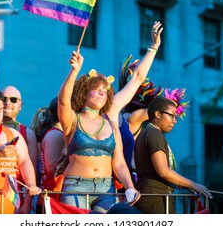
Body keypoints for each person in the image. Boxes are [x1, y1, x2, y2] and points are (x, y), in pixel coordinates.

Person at [57, 49, 140, 213]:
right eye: (96, 88)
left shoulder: (112, 125)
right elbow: (63, 100)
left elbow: (119, 162)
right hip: (75, 187)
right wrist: (75, 70)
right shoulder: (72, 120)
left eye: (105, 89)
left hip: (106, 189)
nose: (103, 92)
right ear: (83, 92)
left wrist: (130, 187)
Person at [133, 94, 212, 214]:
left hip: (150, 196)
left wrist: (184, 185)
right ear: (157, 114)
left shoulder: (146, 132)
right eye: (171, 116)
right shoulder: (154, 133)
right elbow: (163, 171)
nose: (174, 121)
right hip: (156, 198)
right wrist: (194, 184)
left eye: (176, 117)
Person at [106, 21, 163, 172]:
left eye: (105, 89)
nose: (103, 93)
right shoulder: (128, 116)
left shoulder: (114, 110)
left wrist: (154, 47)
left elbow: (137, 77)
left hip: (121, 182)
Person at [39, 97, 65, 194]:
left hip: (52, 193)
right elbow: (51, 168)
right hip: (52, 194)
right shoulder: (56, 134)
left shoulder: (56, 133)